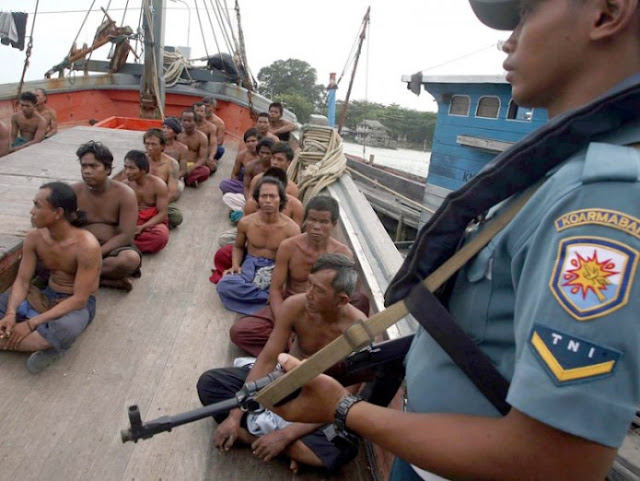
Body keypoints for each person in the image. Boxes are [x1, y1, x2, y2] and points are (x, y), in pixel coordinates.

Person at [271, 1, 640, 480]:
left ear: (608, 12)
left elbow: (556, 459)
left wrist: (343, 410)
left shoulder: (603, 200)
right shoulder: (553, 173)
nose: (509, 40)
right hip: (429, 450)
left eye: (526, 14)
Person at [197, 254, 365, 474]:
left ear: (342, 300)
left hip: (322, 403)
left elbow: (343, 400)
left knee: (344, 447)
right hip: (283, 383)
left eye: (319, 291)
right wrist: (234, 415)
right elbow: (267, 359)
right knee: (209, 384)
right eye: (309, 285)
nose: (309, 295)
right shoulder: (296, 305)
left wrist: (284, 435)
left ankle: (251, 437)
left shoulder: (359, 331)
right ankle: (289, 450)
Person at [231, 195, 371, 356]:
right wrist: (283, 324)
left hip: (324, 312)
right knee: (239, 331)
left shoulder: (343, 254)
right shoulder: (289, 247)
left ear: (334, 224)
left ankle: (309, 345)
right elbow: (275, 290)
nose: (316, 227)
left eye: (324, 222)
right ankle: (294, 345)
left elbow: (341, 301)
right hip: (291, 308)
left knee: (360, 299)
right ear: (305, 220)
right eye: (312, 219)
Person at [0, 182, 101, 373]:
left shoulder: (87, 246)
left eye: (37, 206)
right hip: (45, 294)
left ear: (58, 213)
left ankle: (40, 340)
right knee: (5, 303)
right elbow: (22, 281)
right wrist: (11, 313)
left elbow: (80, 299)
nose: (32, 211)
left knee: (66, 328)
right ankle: (38, 342)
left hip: (74, 305)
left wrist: (30, 324)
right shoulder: (34, 238)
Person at [216, 177, 300, 315]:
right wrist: (236, 265)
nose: (268, 200)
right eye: (263, 196)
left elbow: (294, 262)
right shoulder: (246, 222)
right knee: (224, 285)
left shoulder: (292, 229)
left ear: (281, 199)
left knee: (284, 292)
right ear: (257, 199)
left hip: (276, 269)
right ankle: (267, 302)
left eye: (272, 196)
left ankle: (263, 300)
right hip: (249, 266)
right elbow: (238, 247)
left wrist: (284, 281)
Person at [72, 141, 141, 292]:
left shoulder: (125, 194)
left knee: (130, 259)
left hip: (110, 251)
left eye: (94, 166)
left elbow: (126, 235)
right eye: (84, 166)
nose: (87, 171)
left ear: (108, 169)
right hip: (79, 250)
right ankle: (105, 281)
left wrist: (96, 254)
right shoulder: (73, 192)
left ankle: (79, 277)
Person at [122, 150, 170, 254]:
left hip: (151, 223)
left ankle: (125, 245)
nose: (127, 171)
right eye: (125, 167)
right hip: (132, 222)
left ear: (143, 170)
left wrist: (143, 227)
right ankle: (126, 243)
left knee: (161, 236)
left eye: (131, 168)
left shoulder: (158, 185)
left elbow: (162, 213)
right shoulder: (125, 186)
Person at [143, 128, 183, 229]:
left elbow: (172, 193)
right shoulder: (141, 160)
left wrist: (154, 208)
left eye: (154, 144)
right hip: (141, 200)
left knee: (176, 217)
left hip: (161, 202)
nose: (150, 148)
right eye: (147, 144)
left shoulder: (172, 164)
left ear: (162, 146)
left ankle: (153, 220)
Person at [221, 138, 274, 214]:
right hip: (253, 195)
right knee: (227, 197)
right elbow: (246, 187)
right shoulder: (250, 166)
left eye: (268, 153)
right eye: (262, 152)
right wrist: (250, 202)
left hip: (270, 197)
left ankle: (247, 212)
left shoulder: (276, 168)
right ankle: (251, 211)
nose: (264, 156)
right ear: (258, 152)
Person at [219, 127, 260, 195]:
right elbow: (234, 174)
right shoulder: (241, 155)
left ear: (259, 141)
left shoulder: (264, 154)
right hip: (244, 184)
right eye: (248, 141)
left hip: (260, 185)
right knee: (224, 184)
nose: (250, 144)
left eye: (253, 141)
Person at [177, 108, 210, 188]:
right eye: (184, 120)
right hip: (178, 164)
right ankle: (188, 180)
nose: (186, 123)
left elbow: (203, 158)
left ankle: (185, 179)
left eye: (189, 121)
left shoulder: (202, 137)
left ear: (195, 122)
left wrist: (191, 168)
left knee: (205, 171)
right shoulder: (177, 134)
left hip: (192, 165)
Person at [193, 102, 219, 172]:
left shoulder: (211, 127)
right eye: (197, 111)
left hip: (203, 153)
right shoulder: (187, 125)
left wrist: (211, 157)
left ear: (205, 113)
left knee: (212, 168)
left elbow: (213, 144)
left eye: (201, 111)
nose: (199, 113)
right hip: (190, 153)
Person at [202, 97, 226, 162]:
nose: (206, 109)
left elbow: (220, 141)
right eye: (204, 106)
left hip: (210, 146)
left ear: (214, 108)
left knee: (220, 150)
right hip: (197, 144)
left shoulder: (219, 123)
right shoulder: (197, 119)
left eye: (208, 106)